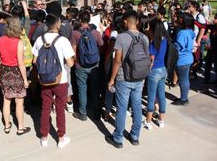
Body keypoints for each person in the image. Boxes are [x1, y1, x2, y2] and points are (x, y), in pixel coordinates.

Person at [106, 10, 149, 148]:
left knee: (121, 108)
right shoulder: (144, 37)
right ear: (137, 21)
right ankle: (135, 136)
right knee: (136, 106)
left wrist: (112, 79)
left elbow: (117, 61)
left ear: (125, 21)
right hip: (140, 77)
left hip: (124, 77)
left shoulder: (121, 37)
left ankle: (118, 138)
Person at [32, 14, 75, 148]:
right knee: (60, 109)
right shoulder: (63, 40)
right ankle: (61, 138)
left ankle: (44, 137)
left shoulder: (40, 39)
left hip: (45, 79)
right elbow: (71, 63)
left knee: (45, 107)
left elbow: (34, 61)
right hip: (60, 79)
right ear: (57, 25)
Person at [0, 17, 31, 135]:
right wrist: (25, 80)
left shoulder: (0, 39)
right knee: (19, 102)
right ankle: (20, 127)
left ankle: (7, 126)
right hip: (16, 73)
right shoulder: (19, 42)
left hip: (4, 72)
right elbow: (21, 63)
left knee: (6, 100)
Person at [71, 10, 103, 121]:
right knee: (95, 88)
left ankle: (82, 113)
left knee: (82, 88)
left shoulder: (75, 33)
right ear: (89, 20)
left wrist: (77, 61)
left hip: (80, 65)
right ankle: (96, 113)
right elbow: (101, 46)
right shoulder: (95, 32)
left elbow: (73, 51)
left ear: (79, 20)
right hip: (94, 65)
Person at [143, 18, 168, 130]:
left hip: (154, 71)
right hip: (163, 70)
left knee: (151, 96)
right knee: (161, 95)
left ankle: (148, 121)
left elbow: (151, 60)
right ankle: (161, 120)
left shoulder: (154, 43)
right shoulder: (164, 40)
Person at [172, 13, 195, 106]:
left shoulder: (182, 33)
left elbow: (177, 47)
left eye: (181, 18)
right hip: (187, 58)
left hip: (182, 59)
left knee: (183, 80)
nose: (179, 19)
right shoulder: (189, 31)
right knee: (184, 79)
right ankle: (183, 97)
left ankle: (184, 99)